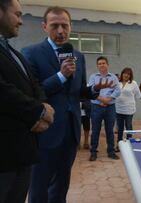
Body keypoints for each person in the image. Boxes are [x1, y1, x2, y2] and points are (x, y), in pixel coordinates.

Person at [21, 6, 112, 202]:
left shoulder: (78, 56)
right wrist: (61, 75)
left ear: (71, 27)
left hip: (71, 132)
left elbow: (78, 92)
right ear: (44, 27)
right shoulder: (31, 53)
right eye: (55, 26)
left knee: (61, 186)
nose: (60, 31)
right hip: (45, 133)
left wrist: (95, 90)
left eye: (65, 25)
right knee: (39, 186)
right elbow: (33, 92)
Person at [0, 1, 54, 202]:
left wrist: (43, 108)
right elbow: (4, 91)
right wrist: (38, 111)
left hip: (22, 153)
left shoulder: (13, 52)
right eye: (18, 14)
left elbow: (34, 84)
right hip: (4, 156)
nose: (21, 21)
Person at [88, 56, 121, 161]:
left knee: (110, 130)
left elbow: (117, 90)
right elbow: (91, 91)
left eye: (103, 63)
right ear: (97, 66)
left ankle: (111, 152)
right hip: (96, 106)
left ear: (107, 64)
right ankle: (93, 152)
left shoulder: (113, 77)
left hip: (110, 106)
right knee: (95, 130)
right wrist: (102, 100)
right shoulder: (93, 77)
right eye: (99, 63)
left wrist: (109, 99)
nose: (102, 65)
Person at [115, 67, 141, 150]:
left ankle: (130, 144)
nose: (126, 75)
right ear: (122, 74)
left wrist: (130, 98)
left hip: (129, 109)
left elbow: (138, 95)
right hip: (118, 109)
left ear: (130, 76)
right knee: (120, 128)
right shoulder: (117, 83)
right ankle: (119, 144)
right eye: (125, 73)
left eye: (128, 74)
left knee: (128, 126)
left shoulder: (133, 83)